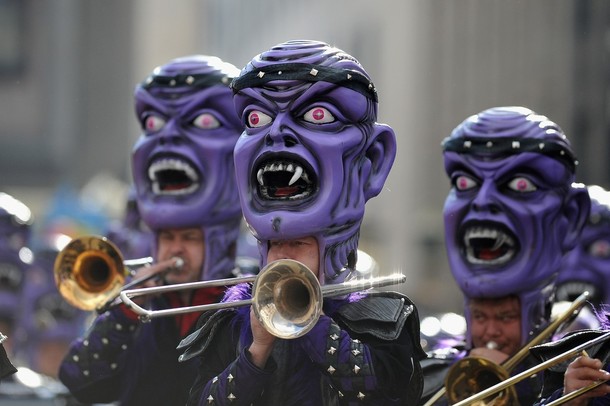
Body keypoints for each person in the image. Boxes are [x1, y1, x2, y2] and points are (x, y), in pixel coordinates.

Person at [178, 39, 426, 406]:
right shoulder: (228, 320)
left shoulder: (383, 317)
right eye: (255, 118)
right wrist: (256, 351)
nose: (276, 133)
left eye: (317, 115)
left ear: (372, 158)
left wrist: (308, 321)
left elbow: (387, 393)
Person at [58, 55, 245, 405]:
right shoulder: (136, 308)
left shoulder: (243, 300)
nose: (175, 250)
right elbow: (78, 380)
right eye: (167, 238)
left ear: (215, 239)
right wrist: (127, 309)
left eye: (189, 239)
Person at [420, 106, 590, 405]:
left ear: (571, 215)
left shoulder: (581, 361)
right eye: (464, 182)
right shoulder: (429, 373)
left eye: (520, 185)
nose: (483, 202)